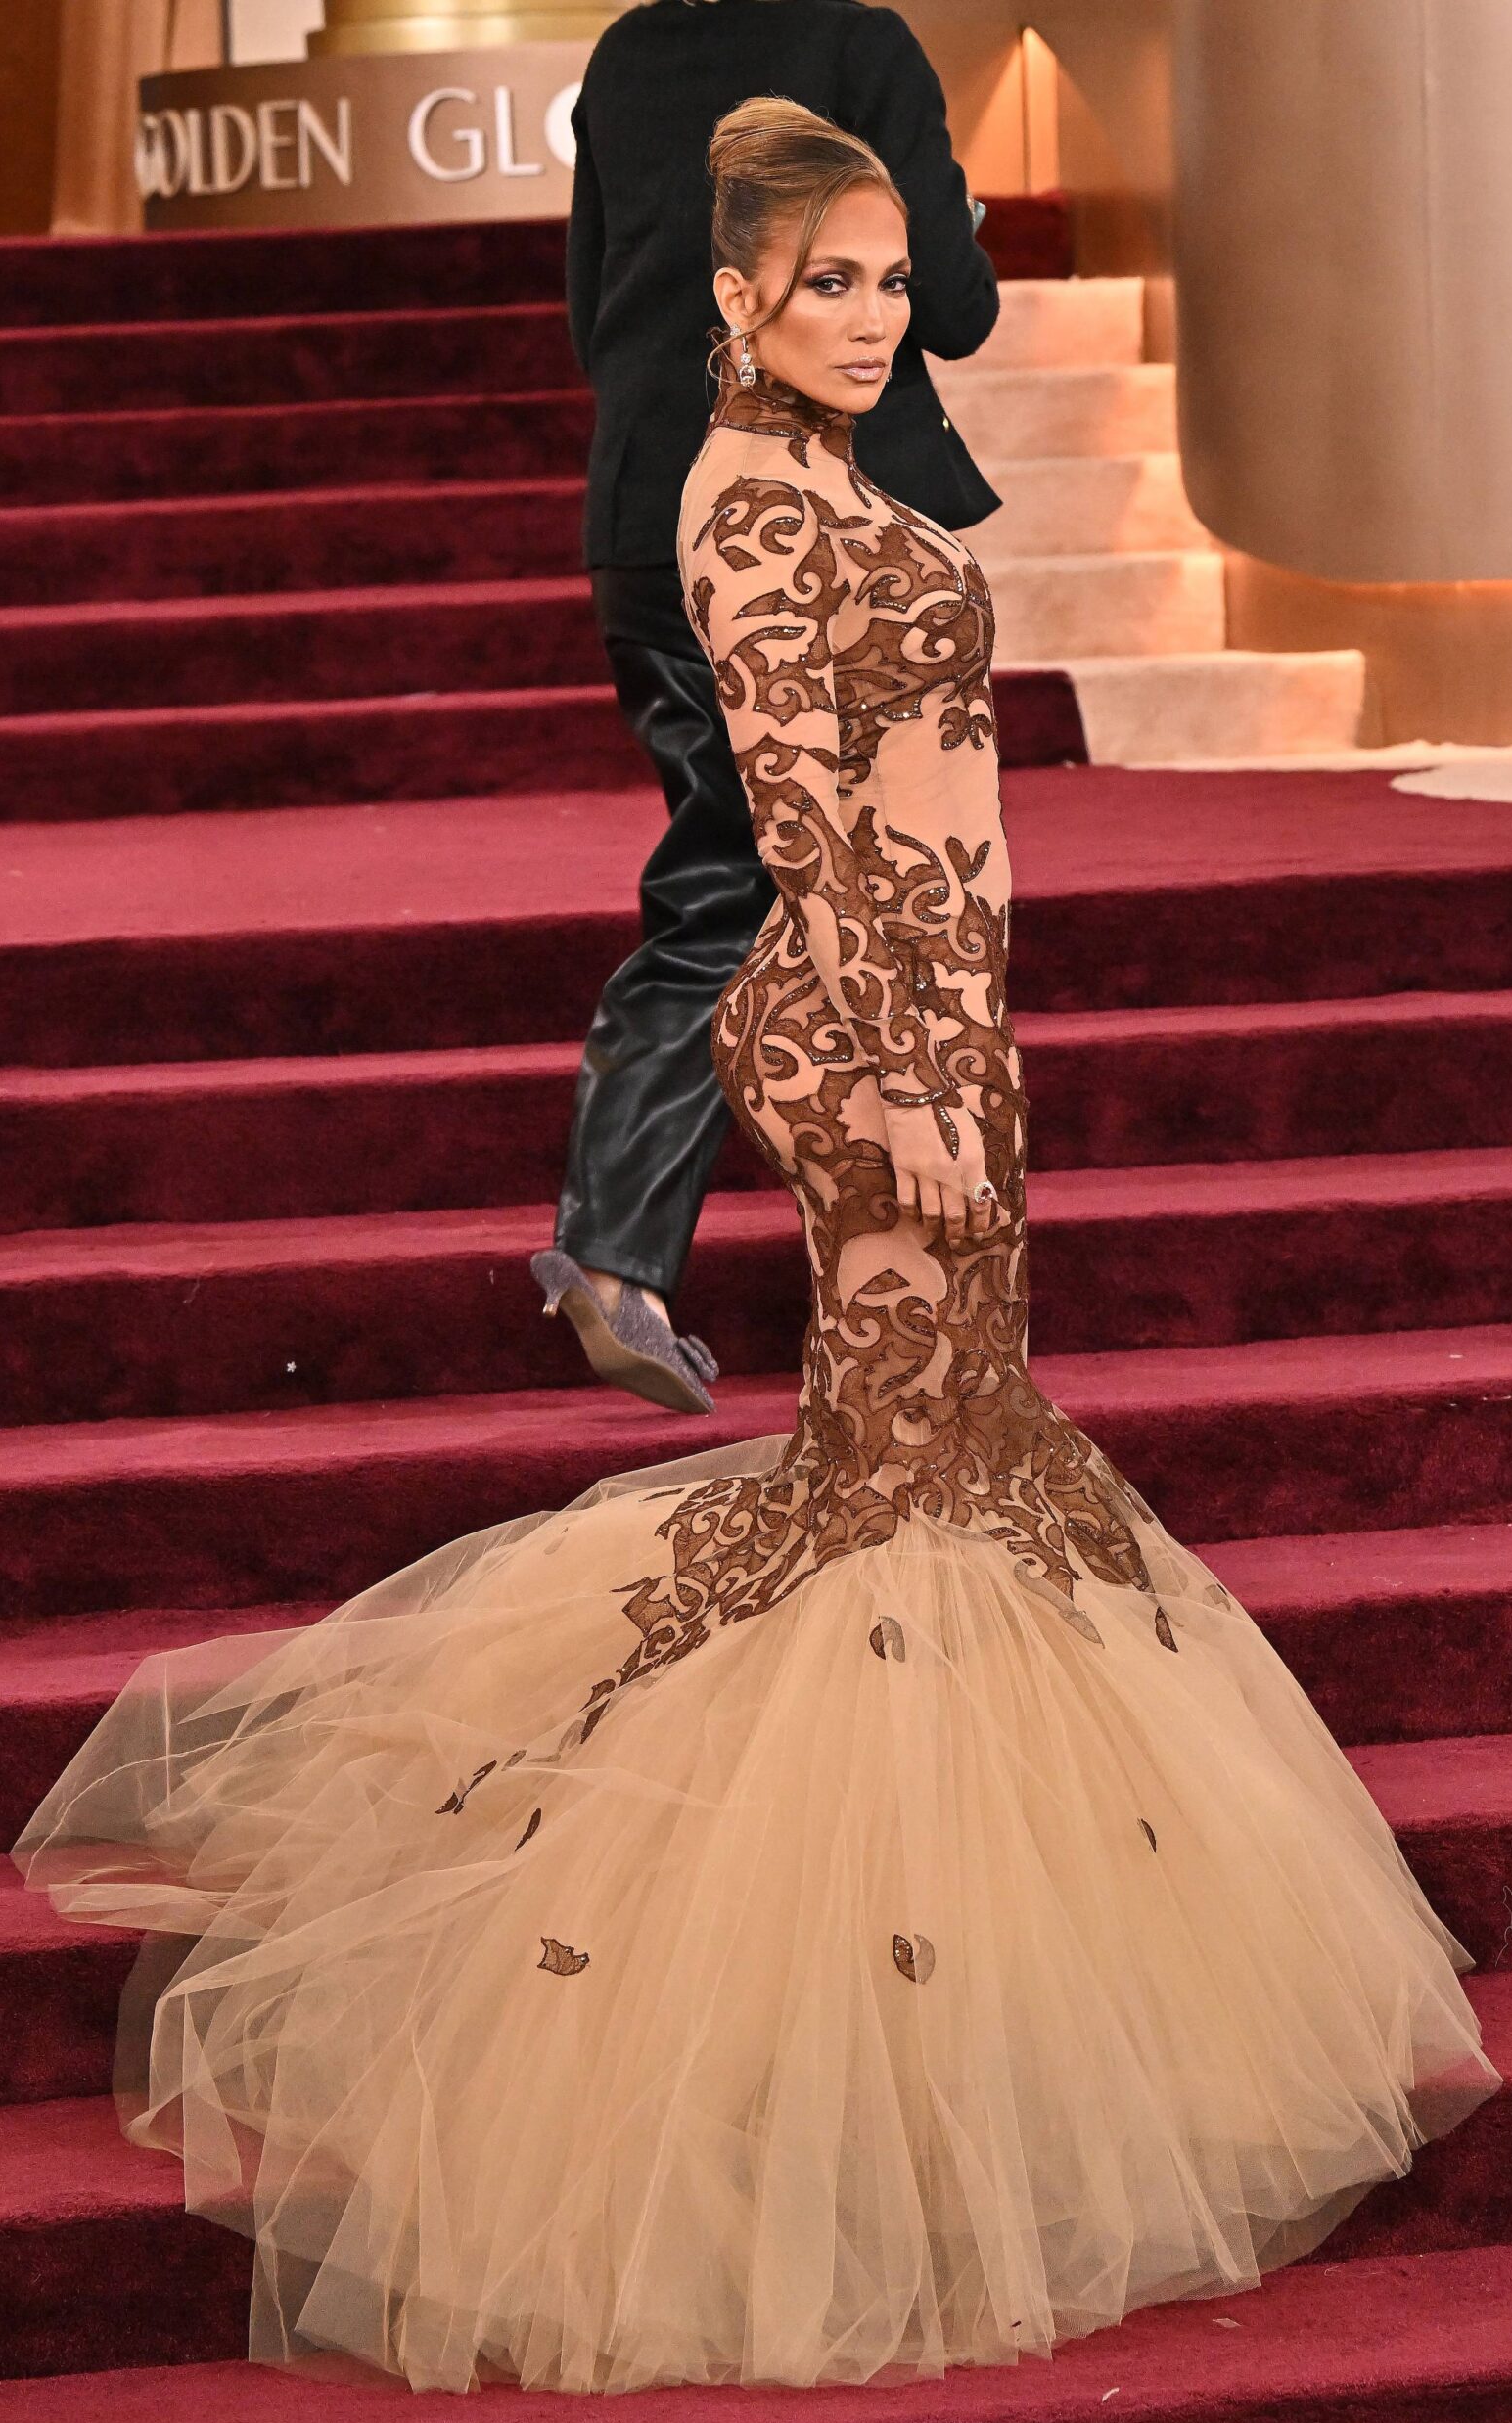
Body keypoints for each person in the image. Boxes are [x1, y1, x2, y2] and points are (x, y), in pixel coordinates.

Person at [13, 104, 1498, 2399]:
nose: (872, 315)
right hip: (876, 1028)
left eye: (895, 282)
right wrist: (891, 1088)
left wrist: (972, 1057)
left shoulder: (842, 473)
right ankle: (846, 2067)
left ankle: (989, 2015)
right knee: (903, 1495)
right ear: (729, 294)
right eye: (831, 283)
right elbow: (811, 830)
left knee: (946, 1475)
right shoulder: (741, 494)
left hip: (953, 1026)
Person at [535, 0, 1002, 1415]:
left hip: (643, 505)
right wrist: (953, 223)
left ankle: (848, 1271)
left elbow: (586, 309)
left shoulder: (624, 52)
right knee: (797, 881)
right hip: (806, 527)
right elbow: (959, 309)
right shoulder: (860, 48)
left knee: (735, 876)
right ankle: (622, 1253)